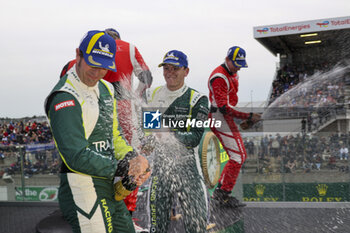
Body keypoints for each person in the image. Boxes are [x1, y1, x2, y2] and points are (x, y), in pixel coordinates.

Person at [45, 30, 150, 233]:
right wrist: (123, 167)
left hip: (106, 183)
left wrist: (133, 159)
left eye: (104, 67)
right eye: (93, 64)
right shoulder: (64, 96)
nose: (97, 73)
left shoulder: (107, 89)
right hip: (80, 185)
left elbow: (115, 136)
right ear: (78, 54)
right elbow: (76, 155)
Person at [147, 50, 209, 232]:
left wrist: (168, 134)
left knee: (196, 226)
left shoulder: (198, 99)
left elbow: (195, 138)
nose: (170, 72)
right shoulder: (152, 95)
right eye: (166, 68)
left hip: (189, 169)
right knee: (156, 227)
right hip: (160, 167)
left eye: (175, 68)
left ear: (186, 71)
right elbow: (150, 133)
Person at [208, 46, 261, 207]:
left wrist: (244, 119)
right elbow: (224, 107)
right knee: (237, 157)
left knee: (240, 156)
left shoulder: (233, 72)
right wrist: (248, 116)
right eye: (236, 63)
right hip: (219, 116)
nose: (238, 67)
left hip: (225, 117)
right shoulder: (219, 76)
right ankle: (222, 195)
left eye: (240, 64)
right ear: (227, 59)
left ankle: (221, 193)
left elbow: (230, 104)